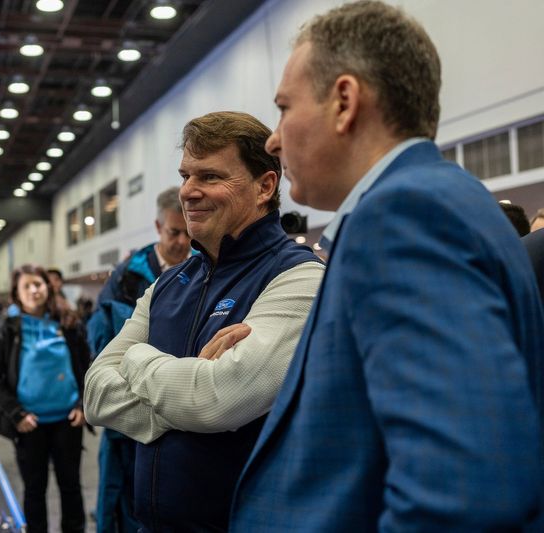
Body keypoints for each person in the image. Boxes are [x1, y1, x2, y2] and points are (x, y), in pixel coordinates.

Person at [229, 2, 544, 531]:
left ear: (345, 102)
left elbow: (462, 494)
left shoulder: (405, 216)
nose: (273, 139)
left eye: (284, 107)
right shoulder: (441, 200)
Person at [84, 111, 325, 531]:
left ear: (265, 186)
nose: (189, 192)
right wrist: (187, 390)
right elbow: (97, 394)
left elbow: (216, 399)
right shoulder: (167, 286)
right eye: (185, 175)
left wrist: (138, 359)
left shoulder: (299, 278)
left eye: (210, 177)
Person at [86, 185, 192, 533]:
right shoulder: (125, 276)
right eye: (174, 232)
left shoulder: (202, 269)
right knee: (119, 497)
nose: (182, 241)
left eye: (187, 232)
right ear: (158, 227)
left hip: (178, 404)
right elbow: (102, 342)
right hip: (130, 405)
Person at [0, 264, 91, 533]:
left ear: (49, 286)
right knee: (34, 489)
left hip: (68, 421)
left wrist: (83, 405)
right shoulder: (10, 329)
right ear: (17, 294)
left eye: (38, 284)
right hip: (30, 425)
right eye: (26, 286)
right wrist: (16, 414)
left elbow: (89, 368)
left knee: (71, 486)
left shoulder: (69, 323)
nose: (34, 290)